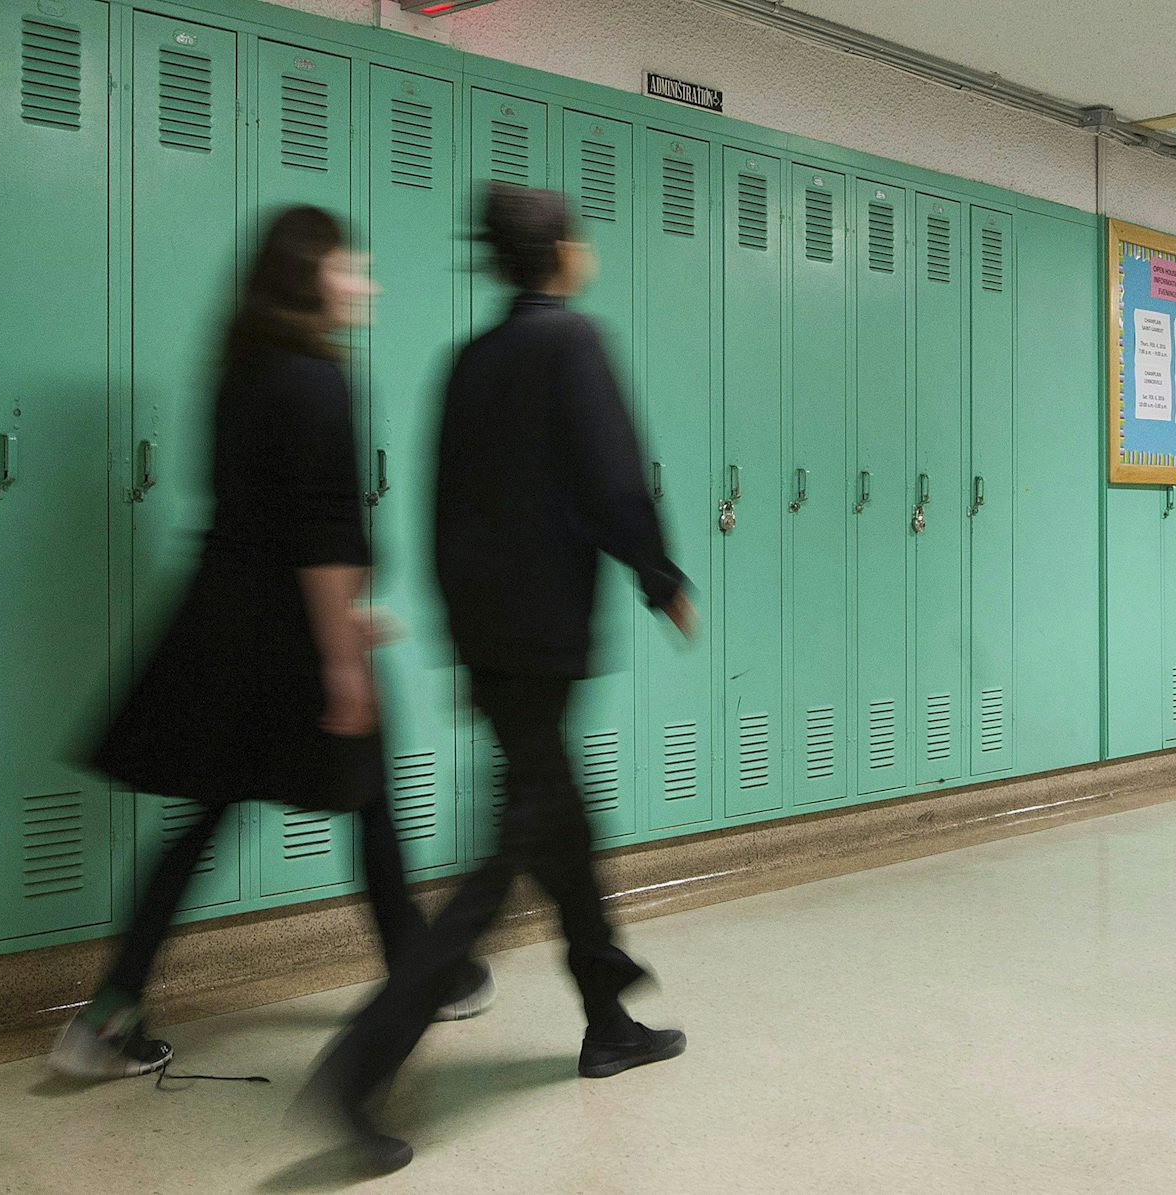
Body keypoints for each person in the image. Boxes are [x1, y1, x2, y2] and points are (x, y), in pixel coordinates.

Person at [306, 183, 699, 1171]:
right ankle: (359, 1066)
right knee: (507, 858)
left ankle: (607, 1015)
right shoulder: (572, 343)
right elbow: (616, 482)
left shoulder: (469, 360)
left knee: (561, 817)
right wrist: (662, 581)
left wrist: (460, 639)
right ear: (561, 251)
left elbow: (440, 510)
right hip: (545, 639)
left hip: (488, 642)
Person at [49, 206, 491, 1081]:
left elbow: (261, 515)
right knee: (369, 797)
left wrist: (337, 619)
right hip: (292, 637)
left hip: (222, 628)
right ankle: (421, 976)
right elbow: (322, 534)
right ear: (309, 276)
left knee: (208, 814)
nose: (363, 281)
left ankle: (107, 1013)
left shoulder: (241, 370)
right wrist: (340, 658)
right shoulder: (318, 378)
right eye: (348, 266)